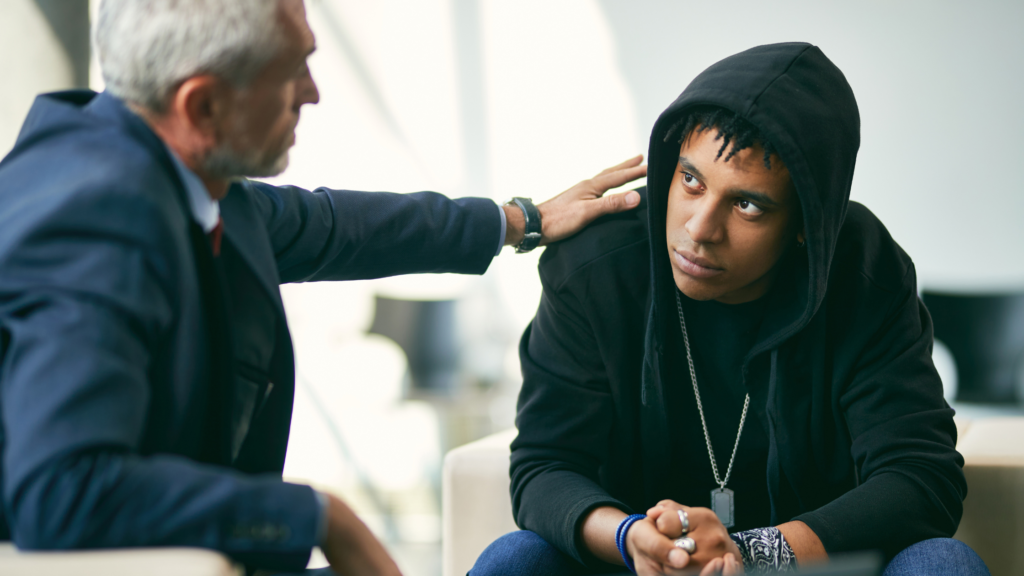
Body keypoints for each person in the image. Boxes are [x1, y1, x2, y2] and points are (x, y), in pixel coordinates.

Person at [0, 0, 646, 574]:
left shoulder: (157, 166)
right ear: (202, 104)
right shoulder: (96, 228)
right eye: (292, 70)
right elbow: (62, 490)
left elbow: (339, 226)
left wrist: (522, 221)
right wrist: (317, 517)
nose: (312, 93)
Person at [471, 43, 990, 575]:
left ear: (806, 223)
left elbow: (920, 476)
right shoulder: (594, 268)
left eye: (747, 204)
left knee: (944, 564)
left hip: (806, 568)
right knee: (515, 560)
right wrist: (632, 539)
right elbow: (545, 466)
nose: (699, 229)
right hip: (638, 565)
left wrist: (754, 554)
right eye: (690, 181)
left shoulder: (864, 273)